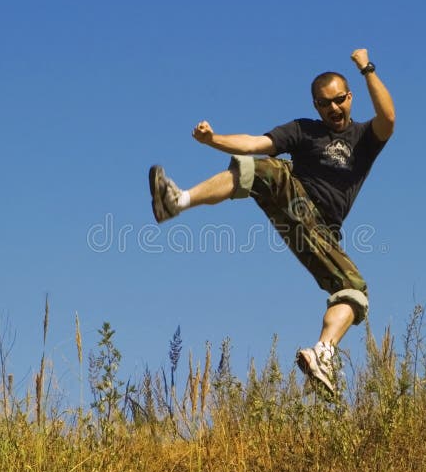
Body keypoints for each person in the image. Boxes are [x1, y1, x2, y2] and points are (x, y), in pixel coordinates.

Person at [149, 48, 395, 395]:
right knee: (261, 167)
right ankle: (178, 201)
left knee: (355, 292)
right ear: (316, 106)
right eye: (325, 104)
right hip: (294, 201)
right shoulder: (303, 130)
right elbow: (255, 143)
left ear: (349, 97)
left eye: (339, 100)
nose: (334, 109)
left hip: (319, 231)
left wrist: (367, 69)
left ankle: (322, 353)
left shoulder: (363, 139)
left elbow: (388, 118)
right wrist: (212, 140)